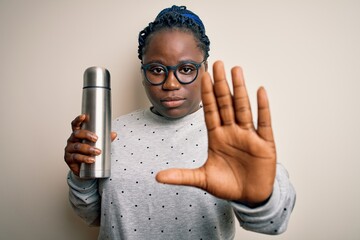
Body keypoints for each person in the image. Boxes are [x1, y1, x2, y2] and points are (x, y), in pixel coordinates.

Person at [64, 5, 296, 239]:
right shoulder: (111, 133)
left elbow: (275, 221)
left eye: (186, 69)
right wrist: (81, 177)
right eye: (156, 69)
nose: (171, 84)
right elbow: (92, 217)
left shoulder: (232, 136)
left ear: (205, 69)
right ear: (142, 73)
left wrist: (257, 197)